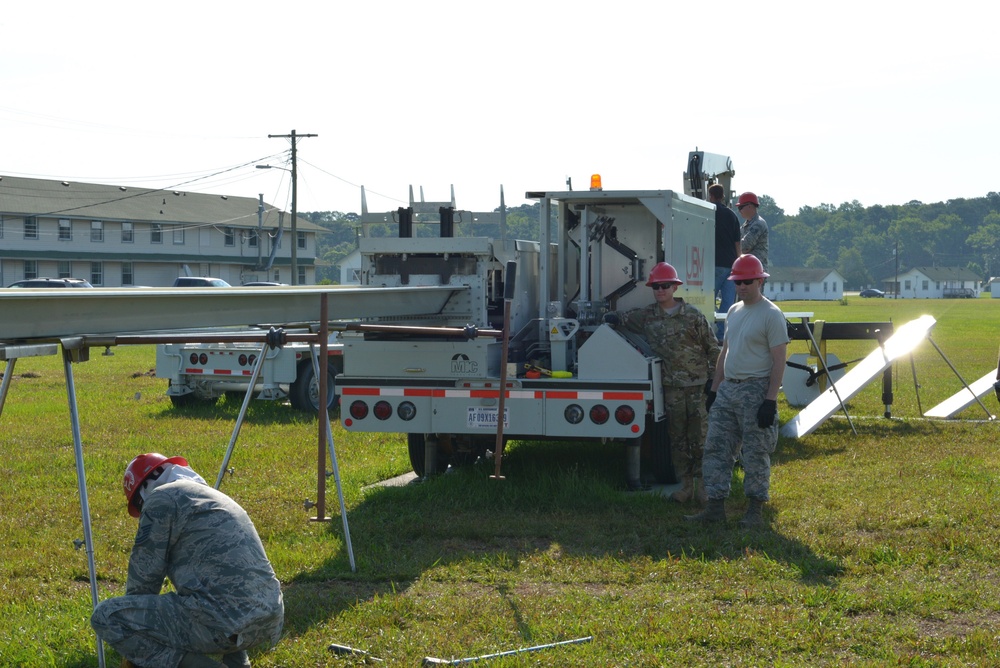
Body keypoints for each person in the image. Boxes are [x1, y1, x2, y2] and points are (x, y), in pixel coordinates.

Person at [91, 453, 284, 668]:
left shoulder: (161, 499)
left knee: (107, 616)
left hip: (227, 621)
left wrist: (138, 648)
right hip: (270, 616)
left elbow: (142, 584)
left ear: (144, 490)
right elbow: (230, 582)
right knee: (217, 595)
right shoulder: (214, 497)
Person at [686, 254, 788, 527]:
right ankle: (715, 506)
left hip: (756, 389)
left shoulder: (771, 315)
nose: (741, 287)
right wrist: (715, 388)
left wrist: (770, 400)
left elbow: (779, 359)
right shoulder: (733, 311)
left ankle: (755, 510)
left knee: (755, 452)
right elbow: (725, 351)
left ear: (759, 281)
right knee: (716, 448)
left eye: (746, 281)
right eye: (737, 282)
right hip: (729, 389)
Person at [609, 262, 719, 503]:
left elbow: (713, 348)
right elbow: (622, 319)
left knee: (700, 440)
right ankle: (686, 487)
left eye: (665, 286)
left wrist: (714, 384)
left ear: (674, 287)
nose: (660, 290)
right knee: (677, 441)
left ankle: (704, 488)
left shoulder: (692, 316)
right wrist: (608, 316)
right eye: (656, 286)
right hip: (671, 389)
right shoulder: (647, 317)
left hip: (697, 387)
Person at [710, 184, 741, 342]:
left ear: (711, 196)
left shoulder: (707, 212)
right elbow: (737, 243)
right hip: (731, 265)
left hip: (714, 264)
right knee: (728, 304)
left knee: (707, 301)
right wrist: (738, 264)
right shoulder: (732, 215)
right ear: (723, 196)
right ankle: (723, 335)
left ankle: (711, 330)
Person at [737, 192, 769, 271]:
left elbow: (745, 246)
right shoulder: (746, 224)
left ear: (749, 206)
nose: (739, 211)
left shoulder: (758, 224)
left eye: (740, 207)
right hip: (748, 269)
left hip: (756, 270)